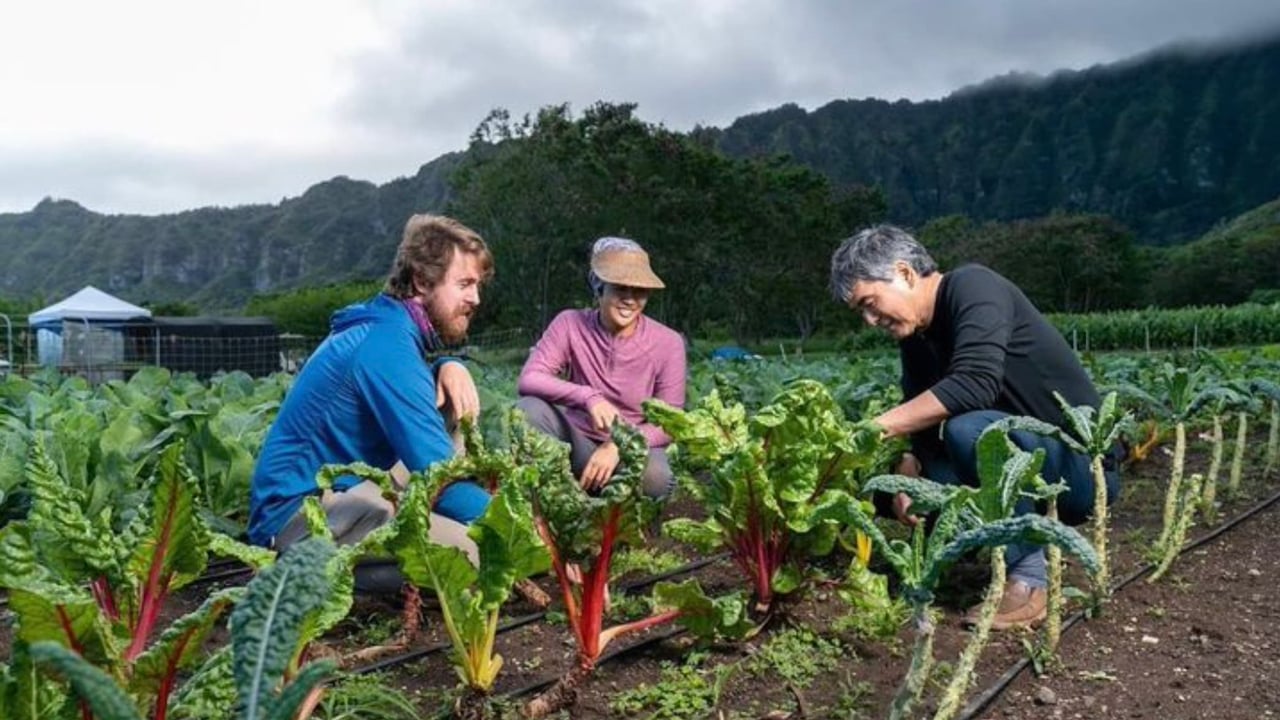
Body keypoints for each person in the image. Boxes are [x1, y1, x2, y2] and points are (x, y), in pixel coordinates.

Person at [829, 224, 1121, 630]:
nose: (869, 319)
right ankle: (964, 549)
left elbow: (976, 381)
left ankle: (1030, 581)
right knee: (888, 487)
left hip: (1080, 473)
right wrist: (912, 462)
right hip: (1023, 464)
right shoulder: (916, 338)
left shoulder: (974, 287)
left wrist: (874, 427)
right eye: (861, 311)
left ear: (905, 274)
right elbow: (926, 425)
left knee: (974, 432)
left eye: (871, 303)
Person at [248, 213, 494, 593]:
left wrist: (449, 363)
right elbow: (439, 477)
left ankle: (386, 543)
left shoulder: (390, 328)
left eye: (478, 285)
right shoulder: (387, 347)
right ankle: (296, 578)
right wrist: (518, 526)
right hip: (301, 517)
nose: (475, 298)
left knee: (449, 406)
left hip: (353, 490)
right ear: (421, 282)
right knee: (485, 557)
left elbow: (422, 412)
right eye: (464, 284)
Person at [516, 236, 686, 499]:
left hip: (628, 451)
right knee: (529, 411)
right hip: (576, 442)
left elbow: (671, 423)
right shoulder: (570, 323)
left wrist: (621, 442)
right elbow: (530, 379)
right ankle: (556, 499)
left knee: (657, 479)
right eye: (620, 288)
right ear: (598, 286)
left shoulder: (668, 343)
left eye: (639, 290)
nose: (630, 299)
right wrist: (588, 397)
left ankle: (614, 510)